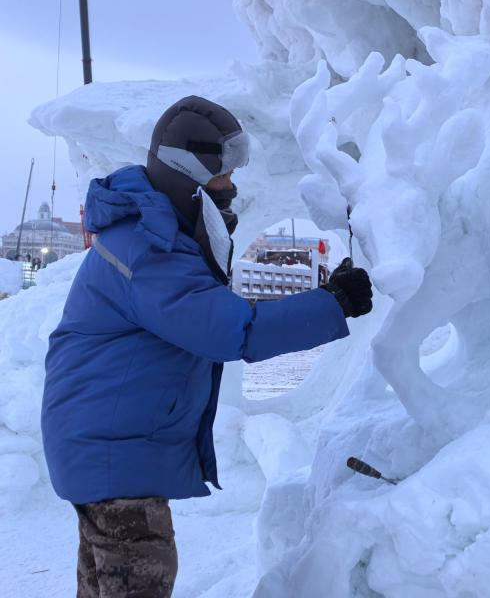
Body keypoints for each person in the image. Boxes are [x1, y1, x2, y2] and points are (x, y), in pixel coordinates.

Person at [41, 96, 373, 597]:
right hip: (112, 458)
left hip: (103, 450)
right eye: (222, 175)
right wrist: (333, 303)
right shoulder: (148, 249)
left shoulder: (153, 233)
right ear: (188, 174)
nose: (231, 186)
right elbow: (230, 330)